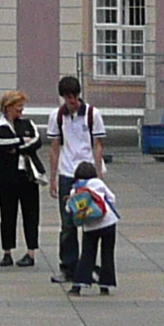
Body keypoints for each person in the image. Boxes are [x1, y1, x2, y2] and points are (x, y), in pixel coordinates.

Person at [47, 76, 107, 287]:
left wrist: (99, 175)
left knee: (92, 221)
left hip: (88, 173)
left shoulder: (92, 114)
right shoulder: (57, 116)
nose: (71, 101)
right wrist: (52, 178)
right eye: (67, 97)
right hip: (67, 172)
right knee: (67, 223)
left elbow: (97, 144)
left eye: (73, 97)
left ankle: (88, 266)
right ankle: (68, 266)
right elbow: (54, 148)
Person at [0, 93, 44, 266]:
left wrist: (15, 146)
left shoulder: (28, 124)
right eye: (18, 105)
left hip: (27, 176)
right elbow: (0, 143)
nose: (22, 109)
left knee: (31, 213)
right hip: (6, 177)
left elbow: (37, 141)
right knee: (7, 214)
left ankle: (31, 252)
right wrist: (22, 141)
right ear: (8, 107)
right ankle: (7, 252)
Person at [61, 160, 119, 295]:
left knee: (87, 254)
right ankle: (105, 285)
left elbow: (69, 208)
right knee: (107, 254)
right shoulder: (98, 183)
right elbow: (112, 198)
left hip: (90, 227)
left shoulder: (75, 189)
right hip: (108, 223)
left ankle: (78, 285)